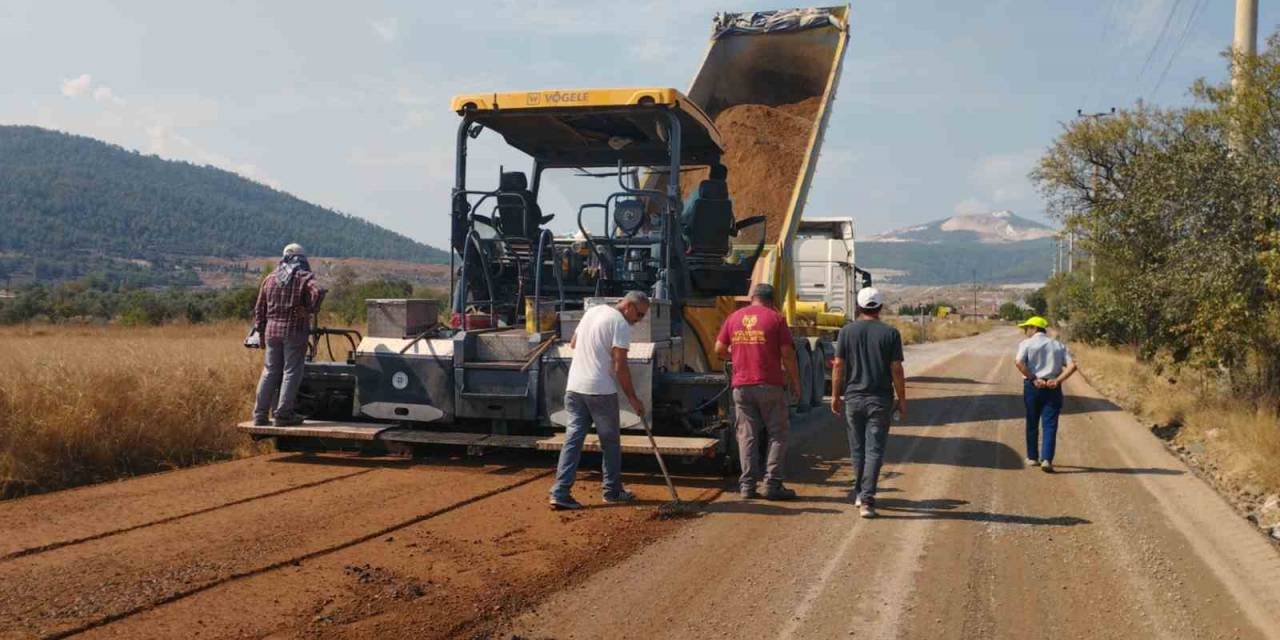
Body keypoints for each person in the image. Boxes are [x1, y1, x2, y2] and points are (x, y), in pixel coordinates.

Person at [549, 291, 651, 510]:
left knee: (573, 439)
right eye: (639, 315)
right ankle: (612, 491)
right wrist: (633, 398)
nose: (638, 320)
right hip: (600, 391)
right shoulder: (620, 324)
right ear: (629, 307)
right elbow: (619, 365)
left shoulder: (593, 311)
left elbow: (575, 342)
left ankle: (560, 491)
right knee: (610, 443)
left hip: (575, 387)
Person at [714, 283, 802, 500]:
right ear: (772, 300)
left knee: (746, 435)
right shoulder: (775, 319)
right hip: (769, 385)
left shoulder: (734, 318)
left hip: (741, 386)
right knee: (778, 434)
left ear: (752, 297)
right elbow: (788, 354)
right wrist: (795, 382)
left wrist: (737, 358)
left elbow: (718, 350)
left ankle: (747, 486)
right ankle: (772, 484)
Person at [831, 287, 905, 518]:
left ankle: (859, 494)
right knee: (874, 450)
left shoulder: (846, 332)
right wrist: (902, 399)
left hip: (853, 398)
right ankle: (867, 500)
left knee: (857, 449)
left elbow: (838, 366)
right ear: (880, 307)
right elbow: (896, 369)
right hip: (879, 400)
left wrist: (835, 395)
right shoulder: (890, 333)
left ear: (859, 307)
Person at [252, 243, 326, 427]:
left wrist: (261, 332)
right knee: (291, 371)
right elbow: (319, 291)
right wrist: (309, 309)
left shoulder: (269, 279)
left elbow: (259, 308)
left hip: (271, 331)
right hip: (294, 331)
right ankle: (283, 415)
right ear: (302, 258)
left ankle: (260, 415)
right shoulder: (303, 277)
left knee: (269, 371)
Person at [1014, 316, 1077, 473]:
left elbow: (1019, 363)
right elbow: (1072, 366)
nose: (1025, 331)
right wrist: (1058, 380)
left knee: (1032, 422)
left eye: (1026, 328)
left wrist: (1033, 378)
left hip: (1033, 386)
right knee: (1050, 424)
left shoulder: (1026, 344)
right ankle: (1047, 459)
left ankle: (1032, 457)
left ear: (1034, 328)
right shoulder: (1058, 345)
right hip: (1052, 387)